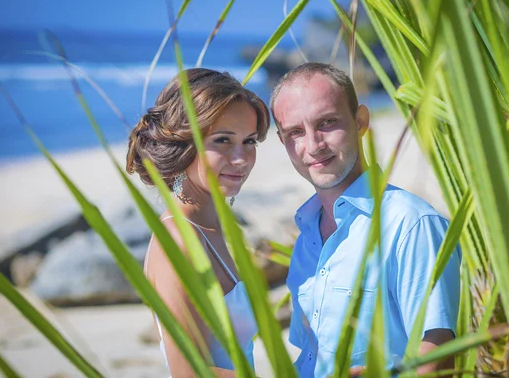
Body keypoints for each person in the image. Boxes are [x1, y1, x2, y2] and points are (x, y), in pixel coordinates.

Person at [270, 63, 461, 377]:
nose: (313, 145)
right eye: (296, 132)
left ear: (361, 121)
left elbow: (437, 356)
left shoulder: (410, 223)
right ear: (282, 141)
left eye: (327, 123)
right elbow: (310, 355)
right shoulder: (306, 237)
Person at [126, 68, 270, 377]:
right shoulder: (178, 241)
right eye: (222, 140)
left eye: (249, 141)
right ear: (184, 145)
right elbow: (189, 372)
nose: (241, 158)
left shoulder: (211, 230)